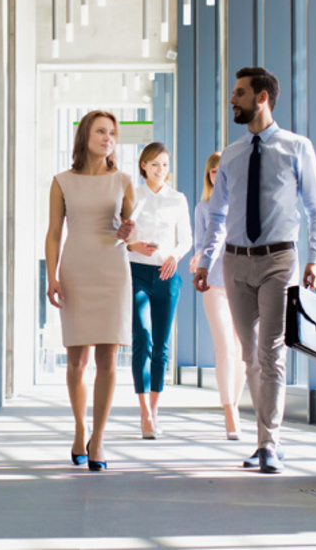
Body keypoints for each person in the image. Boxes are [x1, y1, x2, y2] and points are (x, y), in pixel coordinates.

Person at [192, 67, 316, 474]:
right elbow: (216, 216)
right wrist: (204, 261)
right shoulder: (232, 155)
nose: (232, 100)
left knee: (271, 352)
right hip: (234, 263)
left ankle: (269, 443)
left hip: (278, 260)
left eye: (239, 93)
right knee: (249, 356)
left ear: (262, 98)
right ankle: (264, 439)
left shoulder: (297, 148)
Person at [44, 110, 136, 472]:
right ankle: (80, 427)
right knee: (76, 362)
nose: (108, 138)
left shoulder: (123, 180)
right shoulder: (62, 181)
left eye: (112, 133)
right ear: (85, 136)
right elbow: (53, 233)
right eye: (101, 131)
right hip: (76, 270)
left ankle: (98, 437)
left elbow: (131, 230)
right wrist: (51, 277)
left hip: (112, 270)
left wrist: (131, 231)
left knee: (108, 362)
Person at [126, 142, 193, 439]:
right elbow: (119, 233)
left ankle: (154, 410)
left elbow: (187, 239)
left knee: (162, 345)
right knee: (142, 336)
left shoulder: (177, 199)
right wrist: (133, 245)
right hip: (135, 271)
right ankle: (144, 414)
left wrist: (173, 257)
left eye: (165, 165)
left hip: (166, 273)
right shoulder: (131, 196)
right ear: (143, 166)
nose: (160, 170)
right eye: (154, 164)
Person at [191, 150, 246, 441]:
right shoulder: (203, 208)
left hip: (242, 282)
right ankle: (229, 410)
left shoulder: (241, 205)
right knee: (225, 346)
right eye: (213, 170)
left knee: (243, 350)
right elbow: (200, 243)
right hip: (214, 283)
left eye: (221, 169)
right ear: (209, 175)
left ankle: (234, 402)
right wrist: (199, 257)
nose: (217, 174)